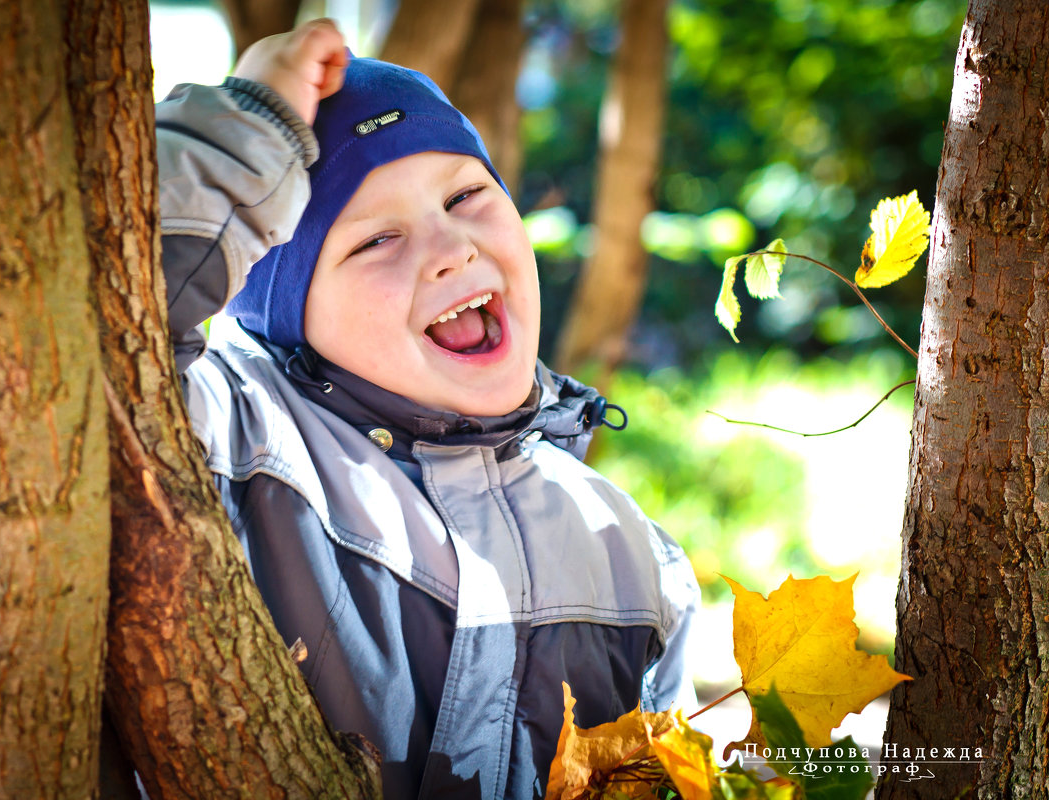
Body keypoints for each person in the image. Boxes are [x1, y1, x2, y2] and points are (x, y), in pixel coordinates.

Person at [155, 18, 698, 799]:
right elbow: (100, 325)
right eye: (375, 240)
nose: (451, 248)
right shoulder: (231, 440)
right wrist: (247, 133)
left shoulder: (629, 555)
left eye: (468, 194)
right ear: (289, 315)